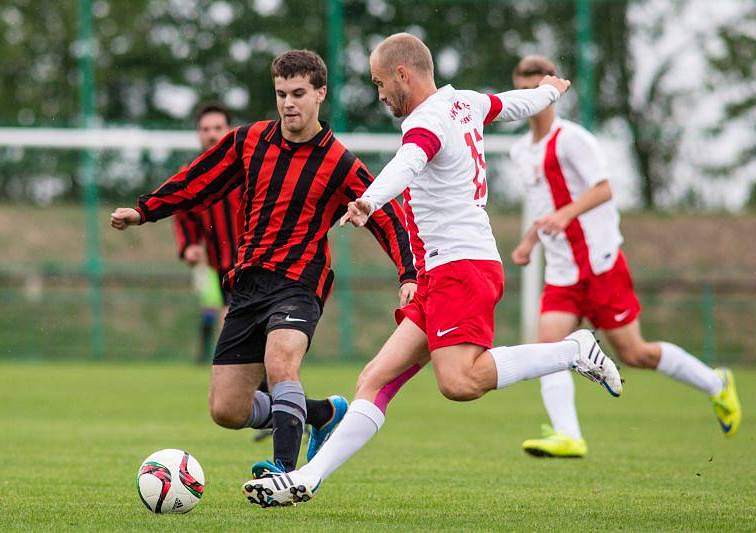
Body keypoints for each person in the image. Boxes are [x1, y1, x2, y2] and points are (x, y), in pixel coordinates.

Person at [241, 33, 621, 507]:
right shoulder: (464, 102)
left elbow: (409, 161)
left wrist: (368, 200)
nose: (379, 94)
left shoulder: (426, 120)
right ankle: (305, 479)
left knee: (459, 383)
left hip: (461, 267)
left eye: (381, 83)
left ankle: (571, 350)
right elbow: (514, 104)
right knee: (374, 380)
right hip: (443, 270)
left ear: (404, 74)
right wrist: (549, 91)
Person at [111, 49, 416, 483]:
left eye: (297, 93)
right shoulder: (249, 141)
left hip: (299, 282)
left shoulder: (340, 162)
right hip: (247, 285)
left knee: (281, 364)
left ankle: (283, 473)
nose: (288, 103)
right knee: (228, 409)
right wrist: (145, 211)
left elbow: (386, 215)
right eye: (281, 94)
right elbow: (198, 181)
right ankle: (323, 413)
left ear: (319, 95)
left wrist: (408, 274)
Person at [503, 55, 741, 458]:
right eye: (522, 92)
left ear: (550, 92)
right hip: (562, 271)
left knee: (634, 353)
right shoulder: (520, 152)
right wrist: (529, 241)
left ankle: (716, 383)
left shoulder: (574, 139)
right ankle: (569, 435)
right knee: (548, 347)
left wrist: (564, 215)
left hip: (599, 262)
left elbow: (603, 190)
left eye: (535, 91)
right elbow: (546, 207)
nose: (529, 99)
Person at [172, 103, 242, 364]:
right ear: (198, 134)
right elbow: (183, 215)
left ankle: (260, 392)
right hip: (221, 267)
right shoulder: (189, 175)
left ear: (230, 130)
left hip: (255, 262)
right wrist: (189, 244)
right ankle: (260, 393)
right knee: (234, 327)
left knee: (241, 328)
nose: (211, 134)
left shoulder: (247, 168)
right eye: (205, 129)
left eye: (217, 128)